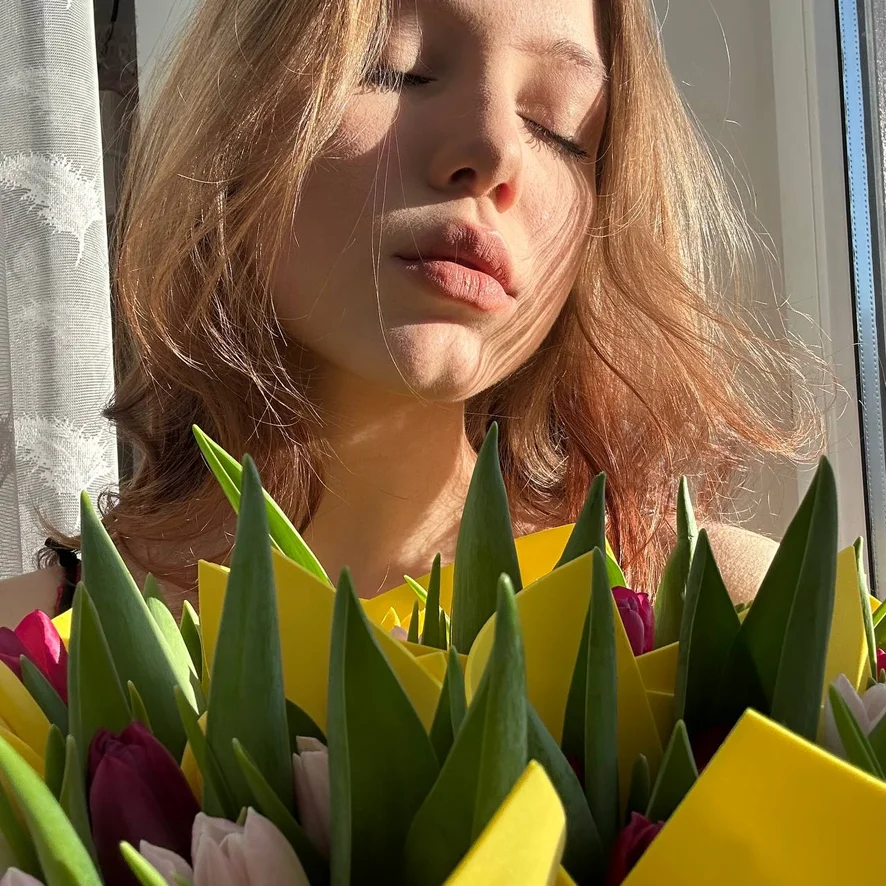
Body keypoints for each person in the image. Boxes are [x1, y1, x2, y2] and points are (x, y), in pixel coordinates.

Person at [0, 0, 824, 627]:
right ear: (238, 115)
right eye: (397, 68)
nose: (494, 151)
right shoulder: (31, 654)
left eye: (560, 127)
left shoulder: (731, 614)